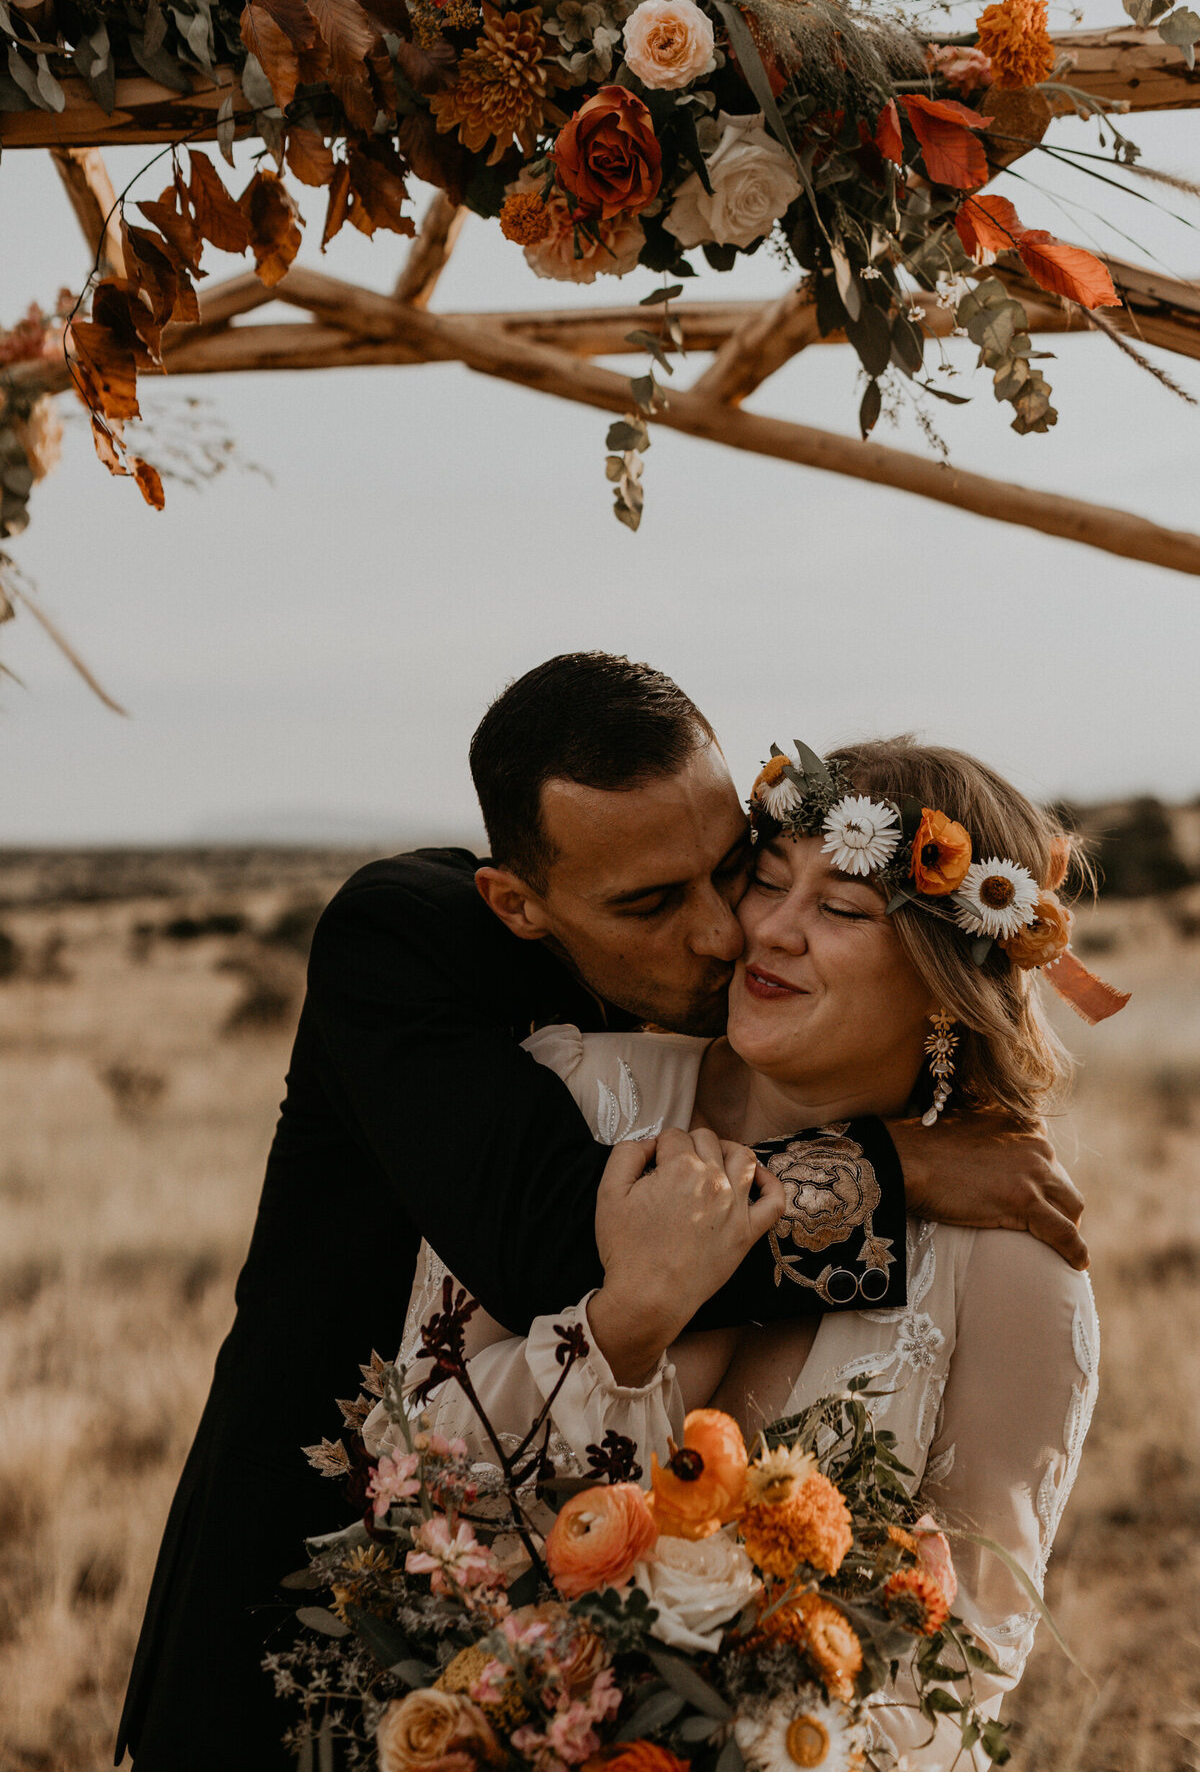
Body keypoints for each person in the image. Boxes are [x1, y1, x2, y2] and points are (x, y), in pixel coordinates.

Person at [117, 656, 1086, 1769]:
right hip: (309, 1619)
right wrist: (884, 1170)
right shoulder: (438, 972)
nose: (734, 933)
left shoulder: (1011, 1249)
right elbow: (551, 1239)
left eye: (735, 869)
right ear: (519, 906)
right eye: (653, 904)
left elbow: (976, 1628)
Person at [387, 731, 1103, 1769]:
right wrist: (624, 1332)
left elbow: (973, 1647)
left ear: (949, 985)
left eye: (842, 909)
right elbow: (415, 1460)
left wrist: (770, 1751)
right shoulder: (578, 1097)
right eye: (766, 883)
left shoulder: (1012, 1254)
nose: (769, 930)